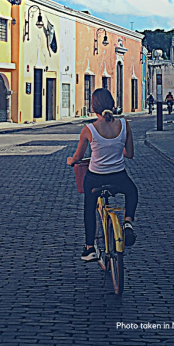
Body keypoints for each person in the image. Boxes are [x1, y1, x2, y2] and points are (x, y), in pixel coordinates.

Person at [67, 88, 138, 261]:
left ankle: (90, 247)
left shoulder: (88, 129)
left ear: (93, 107)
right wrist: (115, 147)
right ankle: (128, 221)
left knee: (89, 208)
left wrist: (71, 161)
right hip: (119, 177)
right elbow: (129, 154)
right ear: (113, 104)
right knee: (132, 191)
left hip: (95, 178)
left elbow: (79, 156)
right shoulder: (124, 124)